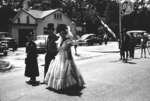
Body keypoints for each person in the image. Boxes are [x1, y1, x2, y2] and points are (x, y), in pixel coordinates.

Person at [44, 24, 85, 92]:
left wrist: (69, 60)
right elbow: (58, 49)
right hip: (59, 57)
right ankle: (59, 85)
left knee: (66, 71)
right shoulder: (60, 40)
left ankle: (68, 85)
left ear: (65, 33)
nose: (61, 34)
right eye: (60, 32)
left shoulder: (68, 40)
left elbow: (69, 51)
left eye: (63, 32)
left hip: (66, 57)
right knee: (58, 71)